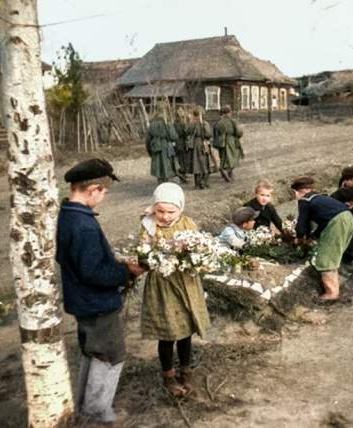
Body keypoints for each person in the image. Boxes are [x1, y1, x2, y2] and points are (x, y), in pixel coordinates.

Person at [56, 158, 144, 424]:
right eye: (104, 192)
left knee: (92, 352)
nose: (104, 197)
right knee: (110, 355)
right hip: (96, 302)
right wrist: (126, 272)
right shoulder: (82, 225)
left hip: (83, 300)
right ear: (93, 189)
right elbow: (93, 272)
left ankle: (85, 407)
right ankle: (97, 413)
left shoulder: (68, 215)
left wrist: (116, 265)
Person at [138, 183, 210, 397]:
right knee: (168, 332)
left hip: (185, 283)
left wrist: (197, 256)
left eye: (171, 212)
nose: (166, 216)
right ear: (154, 208)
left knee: (185, 330)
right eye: (160, 211)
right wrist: (151, 257)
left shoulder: (188, 223)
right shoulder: (149, 226)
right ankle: (168, 374)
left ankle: (186, 370)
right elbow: (143, 253)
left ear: (181, 209)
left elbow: (199, 248)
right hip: (163, 286)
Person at [292, 176, 353, 301]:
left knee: (325, 259)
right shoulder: (320, 198)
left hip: (337, 222)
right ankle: (335, 287)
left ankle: (331, 293)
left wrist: (299, 239)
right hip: (348, 218)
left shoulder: (305, 200)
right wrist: (313, 236)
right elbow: (323, 221)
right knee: (334, 255)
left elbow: (302, 224)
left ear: (298, 192)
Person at [146, 112, 182, 184]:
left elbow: (147, 140)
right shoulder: (167, 123)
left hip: (156, 147)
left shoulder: (151, 125)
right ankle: (166, 182)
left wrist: (149, 151)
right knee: (167, 165)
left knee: (158, 167)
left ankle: (160, 182)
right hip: (167, 146)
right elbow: (173, 136)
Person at [214, 105, 243, 182]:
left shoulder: (218, 122)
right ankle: (227, 173)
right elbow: (239, 132)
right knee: (232, 158)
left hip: (221, 142)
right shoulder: (232, 121)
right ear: (228, 113)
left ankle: (227, 173)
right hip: (230, 141)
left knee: (223, 158)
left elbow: (215, 133)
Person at [186, 108, 213, 189]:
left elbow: (186, 132)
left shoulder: (191, 124)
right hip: (203, 145)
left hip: (195, 145)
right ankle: (205, 183)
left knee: (196, 164)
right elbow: (208, 134)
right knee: (205, 164)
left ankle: (198, 184)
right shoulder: (205, 124)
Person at [174, 107, 192, 179]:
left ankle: (181, 172)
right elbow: (186, 133)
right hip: (182, 143)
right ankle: (182, 172)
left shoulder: (174, 124)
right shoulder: (182, 124)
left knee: (179, 158)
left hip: (176, 143)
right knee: (183, 159)